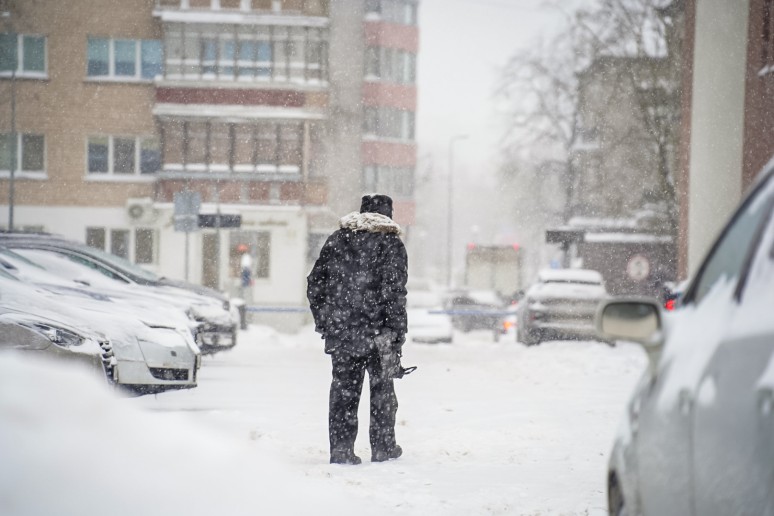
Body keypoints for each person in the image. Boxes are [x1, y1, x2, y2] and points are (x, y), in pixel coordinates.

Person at [307, 194, 410, 465]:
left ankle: (341, 451)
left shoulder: (337, 239)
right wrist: (396, 333)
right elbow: (394, 292)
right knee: (382, 392)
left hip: (342, 332)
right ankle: (383, 447)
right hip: (379, 333)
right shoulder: (391, 244)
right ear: (388, 215)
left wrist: (326, 320)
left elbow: (315, 283)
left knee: (344, 392)